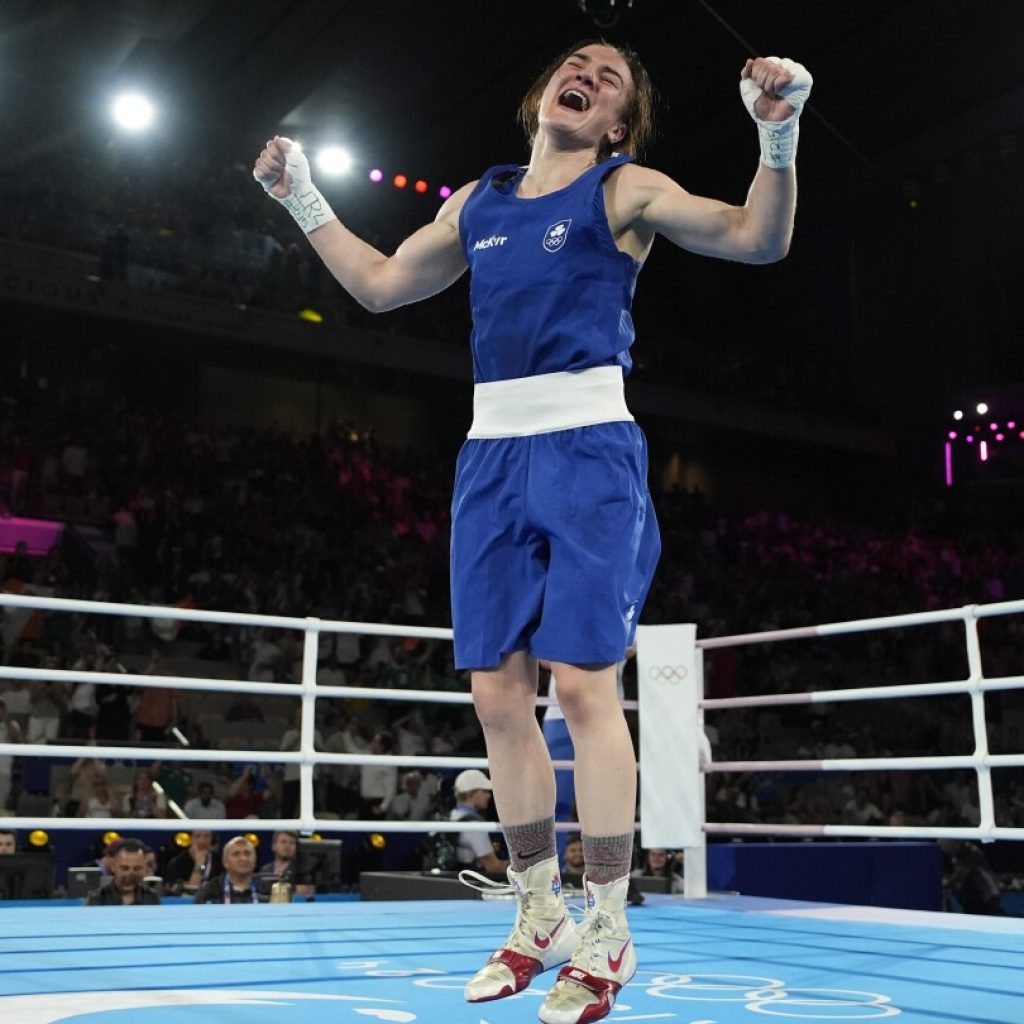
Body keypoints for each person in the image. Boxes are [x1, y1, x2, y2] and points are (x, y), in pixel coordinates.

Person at [254, 39, 810, 1024]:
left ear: (615, 124)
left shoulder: (623, 186)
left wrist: (776, 133)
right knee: (495, 695)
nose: (586, 72)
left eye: (610, 79)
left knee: (583, 686)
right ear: (541, 97)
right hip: (490, 455)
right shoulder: (478, 201)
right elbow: (382, 284)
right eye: (576, 63)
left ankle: (607, 919)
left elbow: (753, 238)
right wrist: (302, 197)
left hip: (589, 451)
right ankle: (537, 908)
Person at [450, 768, 508, 876]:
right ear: (471, 794)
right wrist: (525, 865)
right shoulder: (474, 826)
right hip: (469, 883)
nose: (489, 796)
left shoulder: (453, 815)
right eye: (484, 791)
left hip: (454, 879)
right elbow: (493, 867)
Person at [85, 839, 162, 906]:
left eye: (137, 868)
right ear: (113, 867)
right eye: (124, 868)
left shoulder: (152, 898)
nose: (130, 874)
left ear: (144, 869)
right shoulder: (98, 899)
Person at [194, 835, 261, 904]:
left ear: (255, 860)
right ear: (225, 862)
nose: (243, 858)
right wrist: (200, 865)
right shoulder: (209, 890)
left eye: (247, 853)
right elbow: (203, 869)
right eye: (236, 854)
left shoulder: (266, 888)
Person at [163, 829, 217, 893]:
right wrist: (198, 865)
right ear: (190, 839)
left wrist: (201, 865)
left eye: (206, 836)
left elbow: (203, 868)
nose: (202, 841)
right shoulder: (176, 864)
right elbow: (191, 891)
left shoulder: (218, 860)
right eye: (197, 836)